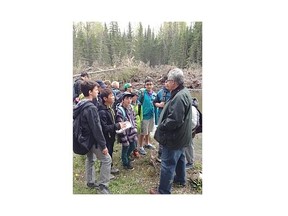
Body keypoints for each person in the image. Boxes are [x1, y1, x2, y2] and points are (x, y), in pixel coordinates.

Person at [150, 68, 193, 194]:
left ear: (174, 82)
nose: (166, 83)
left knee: (167, 164)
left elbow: (174, 120)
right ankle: (180, 179)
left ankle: (163, 191)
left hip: (174, 138)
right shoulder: (184, 92)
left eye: (168, 81)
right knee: (180, 158)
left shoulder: (179, 97)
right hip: (182, 137)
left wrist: (161, 126)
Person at [73, 80, 112, 194]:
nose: (98, 92)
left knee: (90, 159)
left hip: (83, 139)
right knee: (107, 159)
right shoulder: (91, 108)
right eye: (96, 90)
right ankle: (103, 186)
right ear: (90, 92)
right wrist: (103, 146)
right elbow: (96, 128)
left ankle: (90, 181)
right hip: (92, 139)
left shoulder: (80, 104)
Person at [98, 88, 126, 175]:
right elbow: (104, 128)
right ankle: (105, 172)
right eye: (111, 96)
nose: (114, 97)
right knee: (106, 154)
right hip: (106, 137)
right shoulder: (102, 112)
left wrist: (119, 124)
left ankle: (109, 167)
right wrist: (117, 126)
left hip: (111, 135)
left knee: (110, 151)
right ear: (105, 99)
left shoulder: (110, 108)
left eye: (113, 95)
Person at [115, 92, 138, 170]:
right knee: (126, 147)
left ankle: (127, 157)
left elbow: (134, 118)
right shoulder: (120, 111)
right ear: (123, 100)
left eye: (130, 98)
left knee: (133, 145)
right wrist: (124, 138)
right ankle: (125, 163)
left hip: (132, 132)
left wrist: (135, 127)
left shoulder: (130, 107)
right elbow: (121, 126)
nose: (129, 100)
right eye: (127, 98)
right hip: (125, 134)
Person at [153, 75, 171, 162]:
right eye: (165, 82)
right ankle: (160, 154)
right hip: (161, 117)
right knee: (161, 134)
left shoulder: (175, 92)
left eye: (168, 82)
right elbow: (155, 102)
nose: (166, 84)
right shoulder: (160, 92)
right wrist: (159, 105)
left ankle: (169, 154)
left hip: (171, 118)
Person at [138, 77, 157, 155]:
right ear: (145, 85)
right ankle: (140, 146)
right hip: (144, 115)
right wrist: (138, 115)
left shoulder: (154, 94)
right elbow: (139, 103)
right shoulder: (142, 94)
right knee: (143, 132)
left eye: (150, 84)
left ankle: (147, 143)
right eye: (147, 84)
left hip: (152, 115)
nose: (149, 86)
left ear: (153, 85)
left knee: (149, 130)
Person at [184, 97, 201, 169]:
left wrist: (186, 130)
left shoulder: (192, 109)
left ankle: (190, 163)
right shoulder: (191, 107)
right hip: (190, 129)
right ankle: (189, 160)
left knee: (189, 145)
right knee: (188, 145)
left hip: (190, 130)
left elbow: (193, 122)